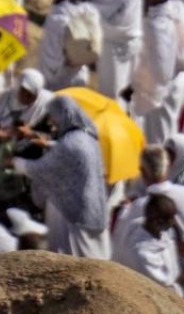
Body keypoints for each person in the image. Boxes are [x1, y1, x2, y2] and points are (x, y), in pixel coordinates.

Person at [14, 97, 110, 258]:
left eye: (54, 116)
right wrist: (48, 145)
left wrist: (16, 163)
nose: (52, 122)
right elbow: (67, 153)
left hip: (72, 211)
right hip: (87, 203)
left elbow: (41, 168)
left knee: (73, 256)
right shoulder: (85, 138)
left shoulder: (70, 143)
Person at [131, 0, 184, 146]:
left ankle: (161, 167)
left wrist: (153, 89)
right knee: (167, 125)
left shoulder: (157, 26)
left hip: (162, 87)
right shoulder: (178, 7)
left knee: (158, 134)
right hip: (177, 77)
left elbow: (161, 69)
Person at [114, 193, 184, 295]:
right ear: (157, 221)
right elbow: (164, 287)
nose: (173, 222)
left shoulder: (140, 224)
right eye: (170, 219)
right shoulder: (143, 254)